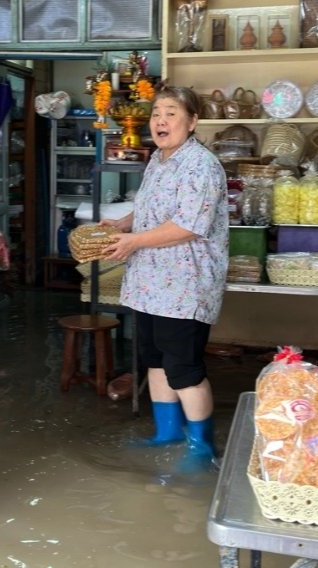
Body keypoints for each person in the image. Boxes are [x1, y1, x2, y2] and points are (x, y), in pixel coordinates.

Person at [100, 86, 229, 469]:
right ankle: (167, 432)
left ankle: (201, 447)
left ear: (192, 122)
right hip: (150, 282)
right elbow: (153, 208)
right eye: (157, 113)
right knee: (155, 360)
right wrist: (123, 223)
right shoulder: (158, 158)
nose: (160, 120)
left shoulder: (201, 165)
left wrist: (134, 239)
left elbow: (189, 224)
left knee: (183, 367)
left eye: (171, 113)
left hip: (185, 283)